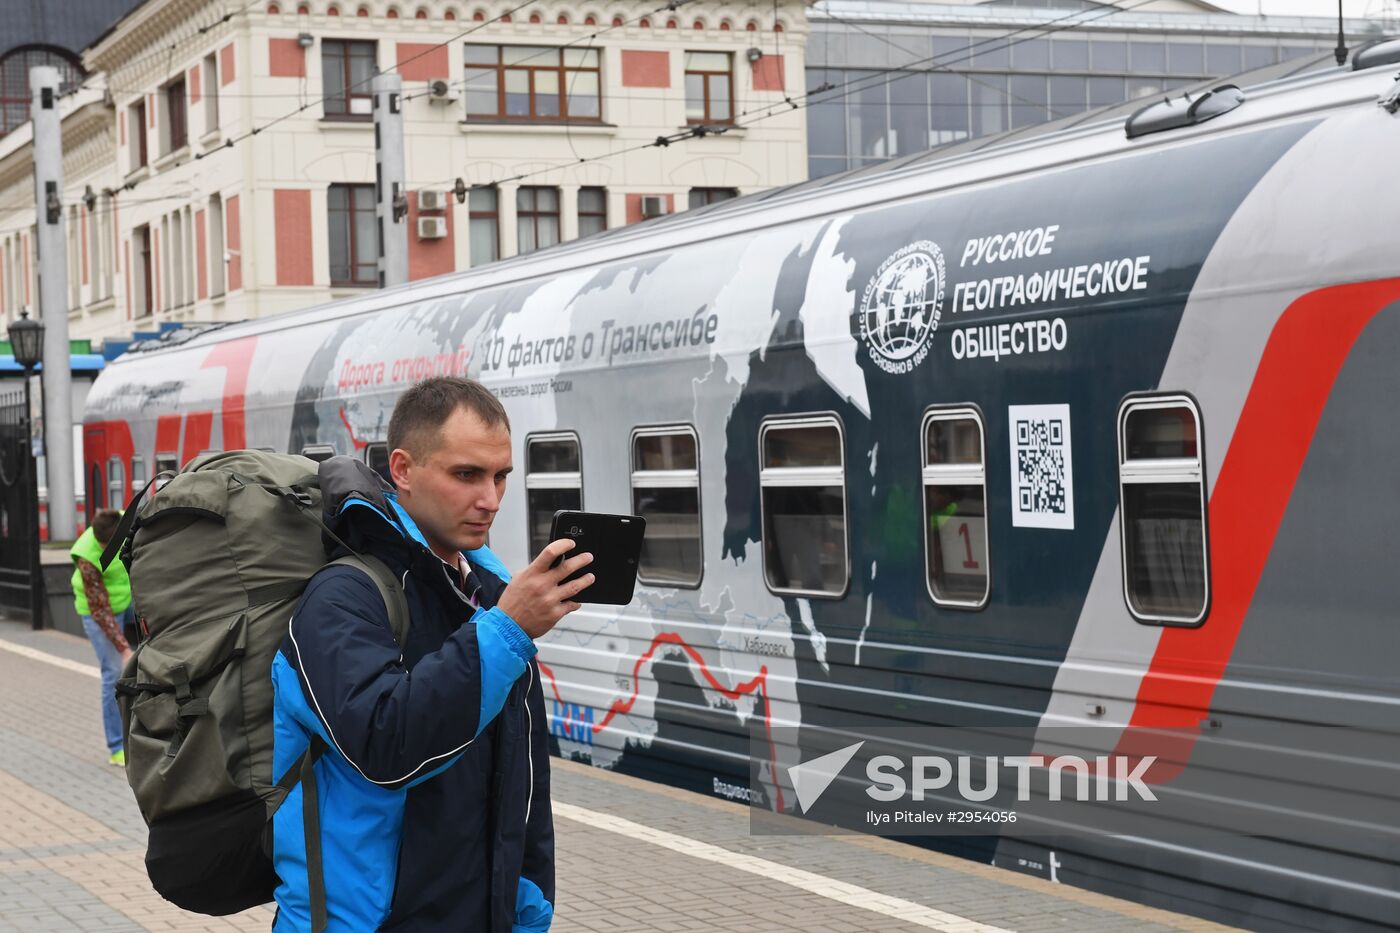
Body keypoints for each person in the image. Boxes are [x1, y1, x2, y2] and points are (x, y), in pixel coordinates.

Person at [269, 377, 593, 932]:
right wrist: (510, 629)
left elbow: (523, 776)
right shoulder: (343, 597)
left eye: (500, 476)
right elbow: (387, 747)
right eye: (466, 474)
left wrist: (529, 905)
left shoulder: (485, 595)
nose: (489, 499)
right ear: (402, 469)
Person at [70, 508, 135, 767]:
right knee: (113, 673)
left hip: (129, 598)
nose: (103, 548)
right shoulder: (87, 555)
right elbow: (100, 609)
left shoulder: (128, 522)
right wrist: (124, 648)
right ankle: (117, 746)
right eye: (102, 545)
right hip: (99, 611)